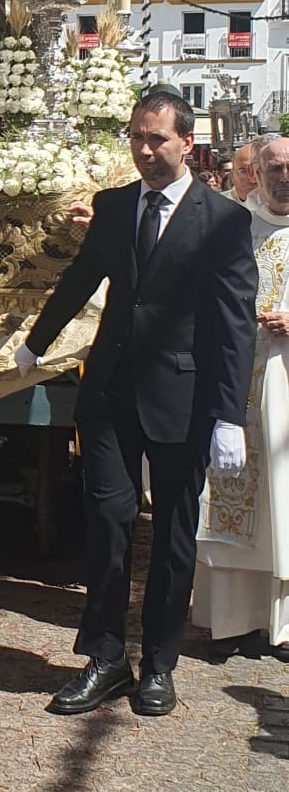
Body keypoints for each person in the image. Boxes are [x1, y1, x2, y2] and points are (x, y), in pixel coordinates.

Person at [14, 89, 257, 717]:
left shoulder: (224, 220)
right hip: (113, 393)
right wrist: (35, 343)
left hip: (186, 397)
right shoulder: (115, 206)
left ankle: (159, 664)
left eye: (158, 140)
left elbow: (235, 323)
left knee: (174, 535)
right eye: (137, 139)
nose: (146, 151)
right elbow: (84, 275)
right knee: (108, 523)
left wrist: (229, 415)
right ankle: (105, 658)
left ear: (186, 144)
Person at [193, 133, 289, 659]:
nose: (284, 177)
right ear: (256, 172)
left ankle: (284, 624)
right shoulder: (232, 226)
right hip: (236, 388)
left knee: (286, 507)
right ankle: (234, 621)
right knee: (231, 500)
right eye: (273, 167)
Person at [223, 143, 257, 208]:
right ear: (233, 175)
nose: (253, 179)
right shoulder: (215, 208)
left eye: (258, 171)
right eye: (244, 171)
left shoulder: (281, 209)